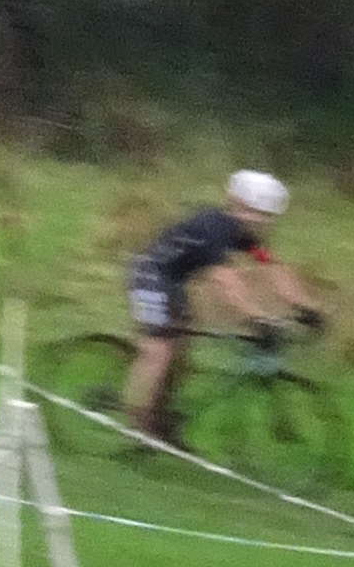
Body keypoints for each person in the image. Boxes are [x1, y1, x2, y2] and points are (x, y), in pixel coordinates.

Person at [122, 167, 318, 444]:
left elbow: (274, 268)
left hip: (173, 283)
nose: (261, 221)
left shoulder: (245, 236)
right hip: (147, 276)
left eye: (267, 216)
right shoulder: (212, 227)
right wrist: (257, 318)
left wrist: (307, 309)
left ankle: (160, 421)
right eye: (255, 212)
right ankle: (135, 425)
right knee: (159, 350)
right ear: (235, 205)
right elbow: (225, 282)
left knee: (181, 358)